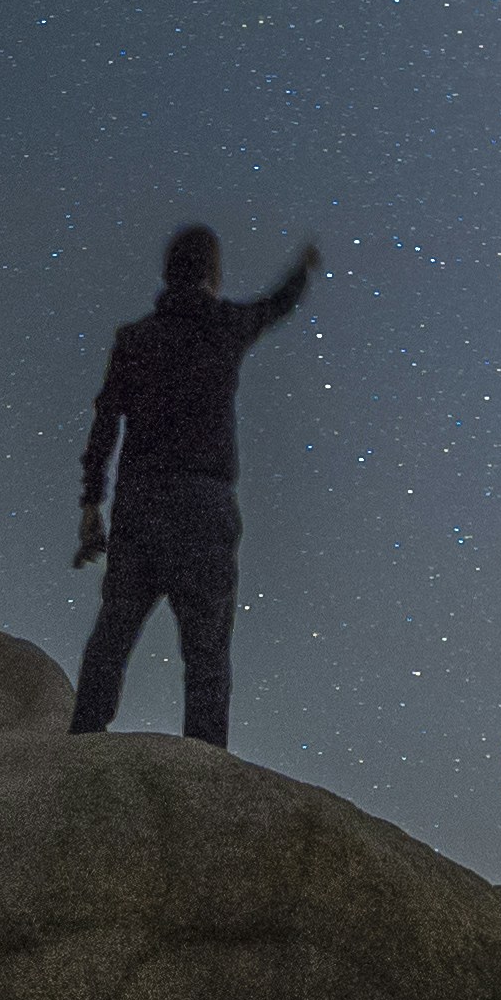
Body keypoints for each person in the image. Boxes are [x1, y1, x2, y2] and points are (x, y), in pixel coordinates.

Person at [68, 220, 320, 746]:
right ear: (213, 274)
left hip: (141, 507)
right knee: (207, 661)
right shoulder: (225, 326)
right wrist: (304, 268)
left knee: (111, 640)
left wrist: (92, 504)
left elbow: (105, 422)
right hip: (204, 508)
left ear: (167, 274)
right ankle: (208, 783)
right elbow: (277, 304)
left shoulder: (134, 340)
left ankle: (77, 749)